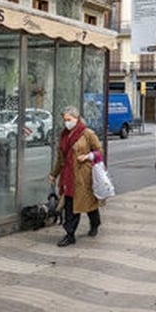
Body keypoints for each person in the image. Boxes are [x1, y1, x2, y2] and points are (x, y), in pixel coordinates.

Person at [48, 106, 103, 247]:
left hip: (84, 176)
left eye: (69, 119)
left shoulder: (87, 134)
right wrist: (53, 174)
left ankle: (95, 223)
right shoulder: (64, 135)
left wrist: (88, 156)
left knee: (89, 204)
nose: (66, 122)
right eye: (65, 120)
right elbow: (60, 159)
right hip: (68, 176)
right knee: (70, 205)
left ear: (76, 118)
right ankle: (70, 234)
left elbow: (99, 151)